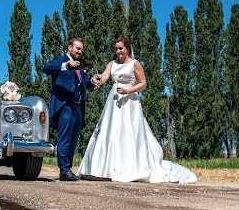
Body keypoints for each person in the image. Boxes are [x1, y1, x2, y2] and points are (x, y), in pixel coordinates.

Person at [78, 37, 197, 183]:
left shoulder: (135, 64)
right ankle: (103, 169)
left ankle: (130, 168)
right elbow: (104, 76)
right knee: (110, 131)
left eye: (120, 48)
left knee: (129, 132)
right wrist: (97, 79)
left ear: (127, 48)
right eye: (116, 49)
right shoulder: (112, 64)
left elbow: (143, 83)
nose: (118, 51)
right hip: (114, 101)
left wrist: (128, 91)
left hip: (130, 101)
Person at [42, 37, 99, 181]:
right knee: (65, 139)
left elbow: (85, 84)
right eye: (77, 48)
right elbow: (46, 68)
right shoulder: (60, 60)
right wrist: (66, 65)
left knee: (73, 140)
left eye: (81, 49)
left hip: (79, 107)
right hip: (65, 105)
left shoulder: (80, 67)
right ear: (69, 48)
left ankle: (68, 170)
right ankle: (64, 170)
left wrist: (93, 81)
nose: (80, 51)